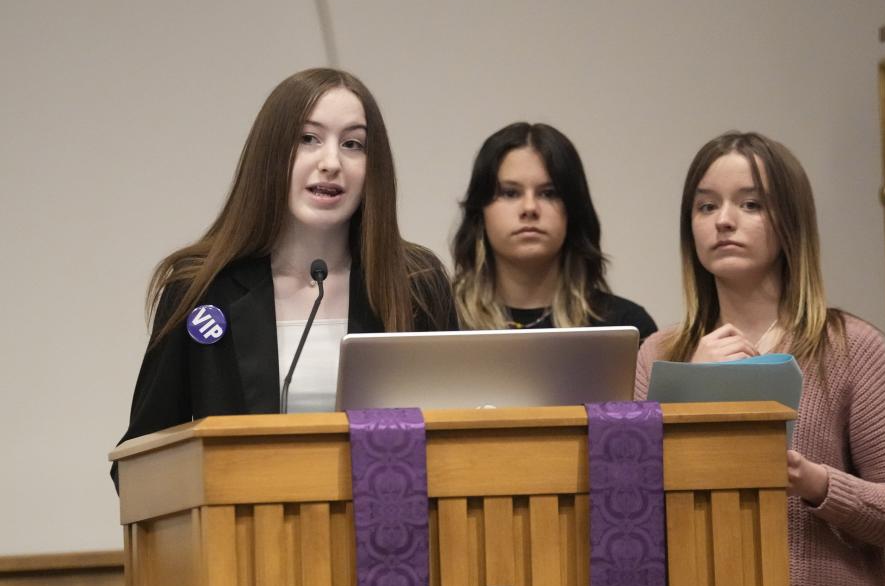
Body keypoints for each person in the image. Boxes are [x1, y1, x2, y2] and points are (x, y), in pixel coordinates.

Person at [634, 131, 885, 586]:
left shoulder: (850, 346)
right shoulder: (661, 354)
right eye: (706, 207)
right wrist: (687, 389)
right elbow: (628, 506)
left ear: (790, 221)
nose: (724, 221)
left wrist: (813, 481)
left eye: (751, 204)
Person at [113, 68, 457, 488]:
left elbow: (454, 441)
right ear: (271, 155)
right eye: (307, 139)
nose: (331, 163)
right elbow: (139, 461)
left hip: (386, 543)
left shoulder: (416, 284)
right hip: (244, 544)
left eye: (353, 144)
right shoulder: (201, 289)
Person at [452, 122, 656, 338]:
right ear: (479, 211)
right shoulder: (442, 319)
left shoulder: (623, 328)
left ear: (573, 210)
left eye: (548, 193)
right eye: (510, 193)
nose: (530, 208)